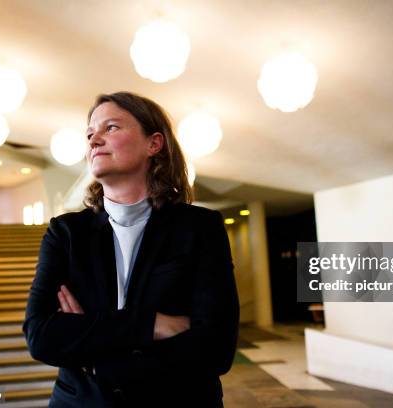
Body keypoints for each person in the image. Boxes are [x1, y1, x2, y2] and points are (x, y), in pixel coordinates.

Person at [23, 92, 240, 407]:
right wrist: (152, 324)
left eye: (110, 128)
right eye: (89, 133)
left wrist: (97, 354)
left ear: (154, 144)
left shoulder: (200, 228)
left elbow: (216, 348)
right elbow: (41, 336)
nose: (94, 140)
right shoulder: (66, 232)